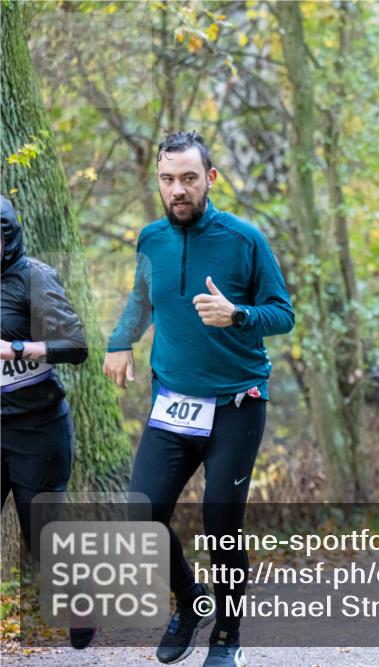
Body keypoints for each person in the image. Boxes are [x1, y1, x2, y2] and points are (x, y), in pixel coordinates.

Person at [103, 131, 294, 667]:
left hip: (238, 402)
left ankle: (227, 639)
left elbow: (283, 313)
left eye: (189, 178)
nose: (178, 190)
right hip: (173, 403)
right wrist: (120, 342)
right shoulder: (151, 239)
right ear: (159, 182)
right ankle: (189, 603)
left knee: (221, 520)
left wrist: (239, 315)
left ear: (210, 178)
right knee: (143, 515)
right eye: (168, 180)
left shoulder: (244, 240)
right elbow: (143, 298)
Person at [1, 196, 95, 649]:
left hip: (36, 429)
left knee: (43, 536)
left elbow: (76, 347)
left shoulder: (35, 278)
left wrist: (17, 350)